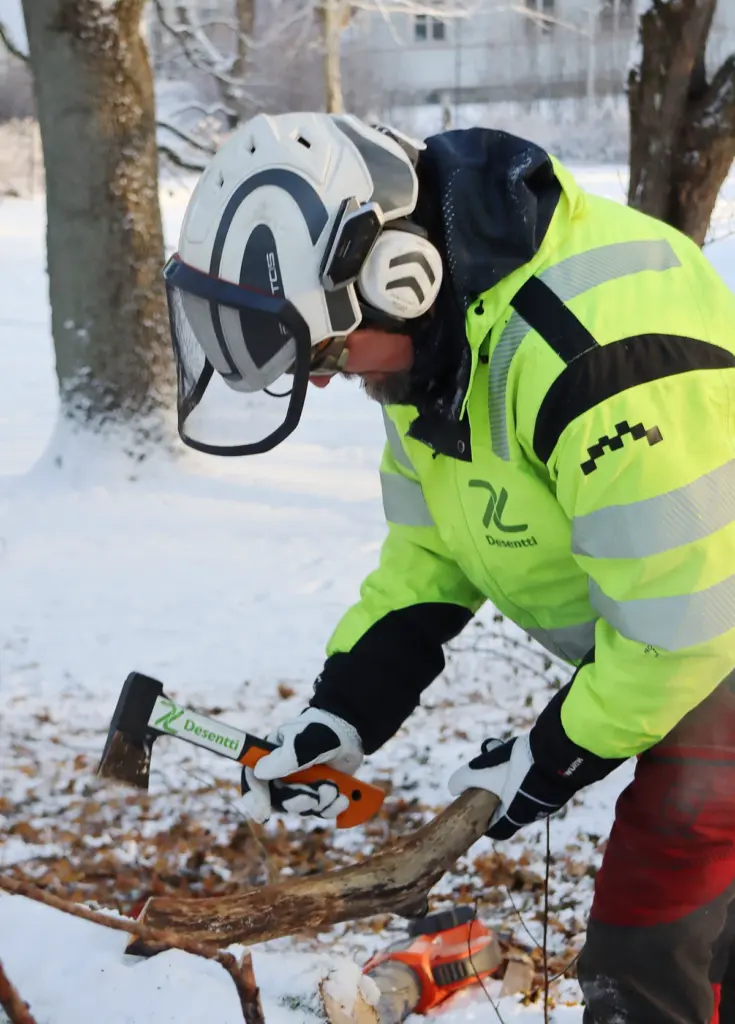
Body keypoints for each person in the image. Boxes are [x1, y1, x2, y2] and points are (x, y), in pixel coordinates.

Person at [164, 111, 735, 1023]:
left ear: (401, 275)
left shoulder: (597, 357)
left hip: (711, 624)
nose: (321, 378)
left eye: (324, 351)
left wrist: (545, 759)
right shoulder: (431, 347)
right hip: (692, 619)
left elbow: (681, 628)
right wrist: (345, 710)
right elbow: (431, 548)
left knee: (651, 933)